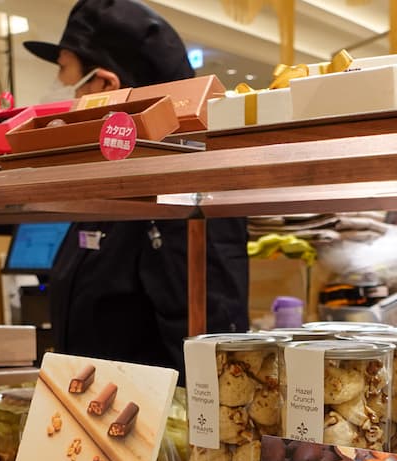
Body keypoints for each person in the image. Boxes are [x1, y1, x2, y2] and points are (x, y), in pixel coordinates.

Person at [24, 0, 249, 378]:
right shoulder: (116, 185)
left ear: (106, 85)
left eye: (64, 72)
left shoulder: (183, 194)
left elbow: (208, 361)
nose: (61, 90)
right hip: (91, 408)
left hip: (153, 414)